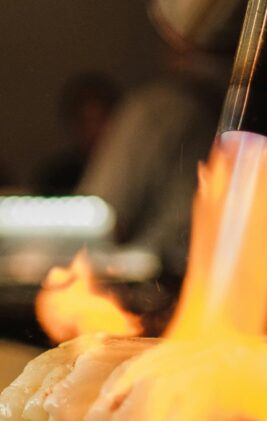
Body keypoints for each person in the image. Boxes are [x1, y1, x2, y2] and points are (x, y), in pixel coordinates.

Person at [75, 0, 245, 278]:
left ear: (171, 32)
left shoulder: (158, 111)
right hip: (257, 304)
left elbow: (98, 218)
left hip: (173, 302)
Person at [34, 73, 121, 196]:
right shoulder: (57, 177)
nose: (94, 130)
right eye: (86, 121)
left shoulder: (132, 174)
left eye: (101, 119)